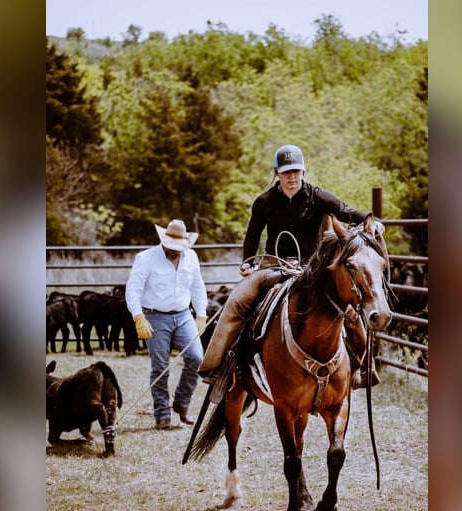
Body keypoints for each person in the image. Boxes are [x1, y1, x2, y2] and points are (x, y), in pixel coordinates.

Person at [199, 144, 386, 388]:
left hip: (312, 268)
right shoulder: (264, 202)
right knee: (237, 301)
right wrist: (247, 262)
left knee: (347, 306)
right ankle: (217, 365)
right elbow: (252, 235)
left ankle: (365, 366)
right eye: (286, 172)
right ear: (277, 173)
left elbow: (345, 211)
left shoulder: (318, 197)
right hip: (273, 266)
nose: (292, 177)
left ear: (303, 172)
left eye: (296, 171)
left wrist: (374, 222)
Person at [126, 219, 208, 429]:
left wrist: (201, 314)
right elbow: (133, 289)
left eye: (179, 248)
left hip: (183, 314)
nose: (176, 251)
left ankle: (182, 403)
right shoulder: (146, 258)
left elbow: (198, 286)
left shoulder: (191, 257)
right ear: (164, 242)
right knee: (160, 366)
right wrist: (138, 316)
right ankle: (162, 414)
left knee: (197, 358)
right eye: (172, 247)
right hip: (155, 315)